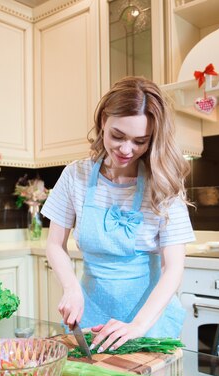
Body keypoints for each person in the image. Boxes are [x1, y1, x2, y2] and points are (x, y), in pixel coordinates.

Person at [41, 76, 195, 353]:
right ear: (102, 122)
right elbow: (54, 244)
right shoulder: (76, 175)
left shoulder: (163, 182)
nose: (126, 150)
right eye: (117, 136)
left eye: (140, 141)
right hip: (90, 315)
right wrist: (71, 287)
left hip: (148, 319)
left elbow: (173, 268)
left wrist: (138, 325)